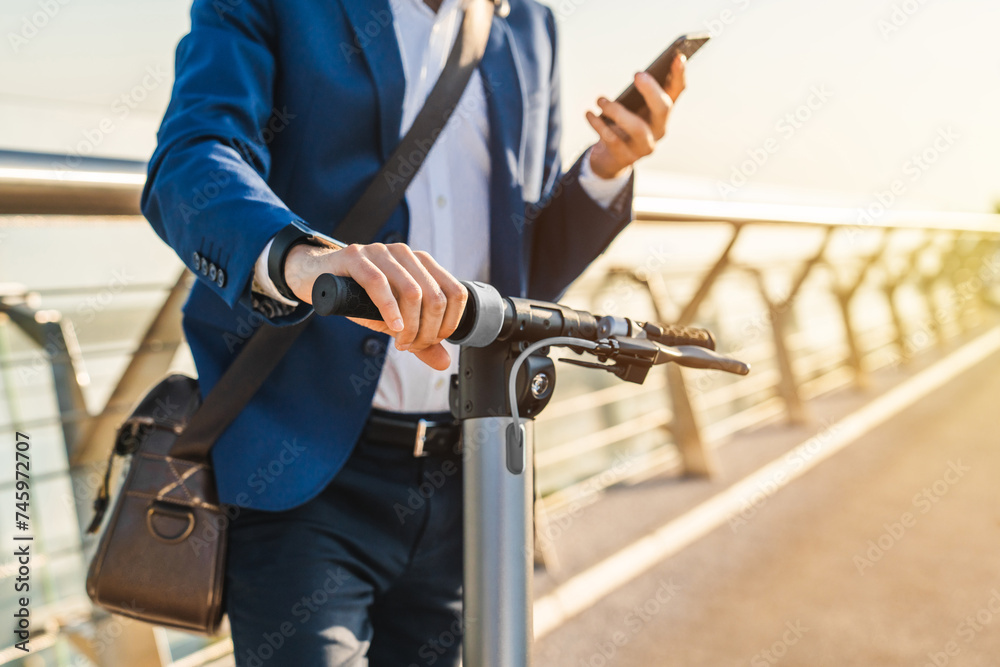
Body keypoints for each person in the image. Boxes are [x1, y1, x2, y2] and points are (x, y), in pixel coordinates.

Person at [141, 0, 685, 664]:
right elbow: (194, 157)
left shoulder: (529, 26)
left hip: (472, 471)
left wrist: (605, 169)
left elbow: (523, 273)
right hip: (307, 468)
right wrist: (306, 261)